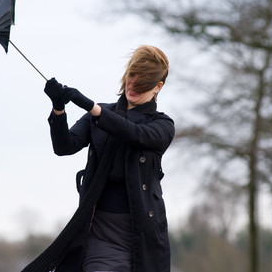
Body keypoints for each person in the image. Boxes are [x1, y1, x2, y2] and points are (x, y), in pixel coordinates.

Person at [22, 45, 175, 272]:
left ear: (158, 87)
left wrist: (92, 107)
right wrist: (58, 110)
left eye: (142, 82)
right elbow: (64, 146)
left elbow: (136, 134)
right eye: (132, 75)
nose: (133, 85)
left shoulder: (162, 125)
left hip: (141, 236)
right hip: (99, 230)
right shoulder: (100, 114)